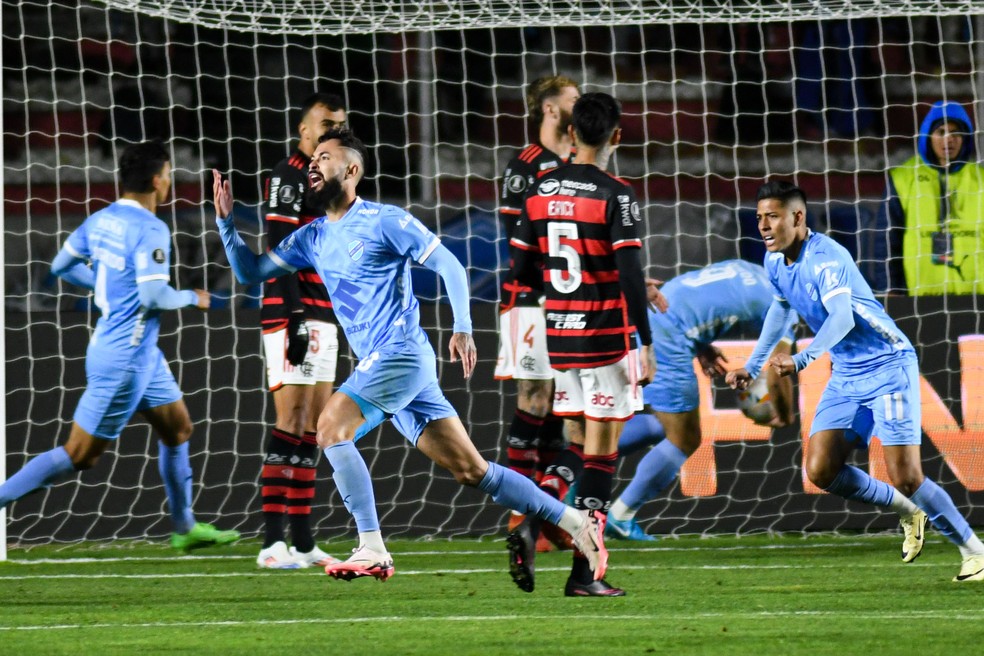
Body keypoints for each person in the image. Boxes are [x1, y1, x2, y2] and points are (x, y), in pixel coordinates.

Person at [213, 127, 605, 585]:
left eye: (325, 157)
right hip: (393, 365)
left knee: (330, 427)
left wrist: (462, 326)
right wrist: (225, 223)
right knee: (471, 469)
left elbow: (449, 265)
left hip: (399, 354)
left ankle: (372, 547)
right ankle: (578, 522)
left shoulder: (385, 220)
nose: (314, 165)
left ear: (352, 170)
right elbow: (250, 272)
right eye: (313, 158)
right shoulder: (313, 237)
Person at [727, 180, 984, 582]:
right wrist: (752, 363)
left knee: (907, 474)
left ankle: (974, 551)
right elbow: (780, 312)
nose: (763, 226)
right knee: (821, 468)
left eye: (772, 217)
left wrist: (802, 358)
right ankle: (908, 510)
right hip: (847, 372)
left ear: (798, 217)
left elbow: (842, 318)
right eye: (759, 217)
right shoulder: (774, 261)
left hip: (887, 364)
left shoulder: (828, 258)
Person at [0, 141, 240, 552]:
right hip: (124, 357)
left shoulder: (102, 220)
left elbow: (61, 266)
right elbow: (153, 298)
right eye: (167, 174)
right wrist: (191, 298)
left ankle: (184, 527)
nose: (169, 181)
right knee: (79, 455)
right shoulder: (150, 228)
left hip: (142, 352)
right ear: (155, 179)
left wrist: (106, 283)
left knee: (178, 428)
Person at [509, 92, 654, 597]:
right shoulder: (617, 193)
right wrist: (646, 341)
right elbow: (630, 276)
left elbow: (523, 270)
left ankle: (533, 517)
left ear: (571, 134)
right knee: (602, 452)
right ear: (616, 136)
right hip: (605, 338)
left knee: (572, 441)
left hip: (559, 337)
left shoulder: (540, 189)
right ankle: (583, 573)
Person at [605, 260, 797, 541]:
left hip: (652, 316)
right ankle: (619, 517)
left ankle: (577, 460)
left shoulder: (750, 268)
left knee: (666, 426)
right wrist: (784, 415)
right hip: (666, 336)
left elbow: (699, 299)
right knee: (686, 438)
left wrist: (701, 345)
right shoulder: (784, 305)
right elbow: (778, 372)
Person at [255, 92, 347, 570]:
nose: (333, 130)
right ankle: (272, 543)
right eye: (325, 123)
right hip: (292, 313)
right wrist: (291, 315)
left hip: (323, 312)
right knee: (289, 423)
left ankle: (304, 541)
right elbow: (278, 245)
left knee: (314, 429)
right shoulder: (289, 174)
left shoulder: (332, 178)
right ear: (303, 131)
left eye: (340, 124)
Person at [494, 75, 580, 550]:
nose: (578, 107)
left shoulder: (576, 164)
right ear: (550, 110)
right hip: (530, 299)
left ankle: (547, 519)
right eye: (572, 101)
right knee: (532, 399)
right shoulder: (524, 166)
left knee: (561, 410)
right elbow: (517, 242)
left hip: (570, 301)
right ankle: (518, 514)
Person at [875, 100, 984, 295]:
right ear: (928, 135)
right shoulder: (902, 179)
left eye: (956, 133)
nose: (948, 139)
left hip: (976, 298)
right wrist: (889, 288)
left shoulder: (981, 179)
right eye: (941, 132)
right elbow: (887, 241)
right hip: (918, 299)